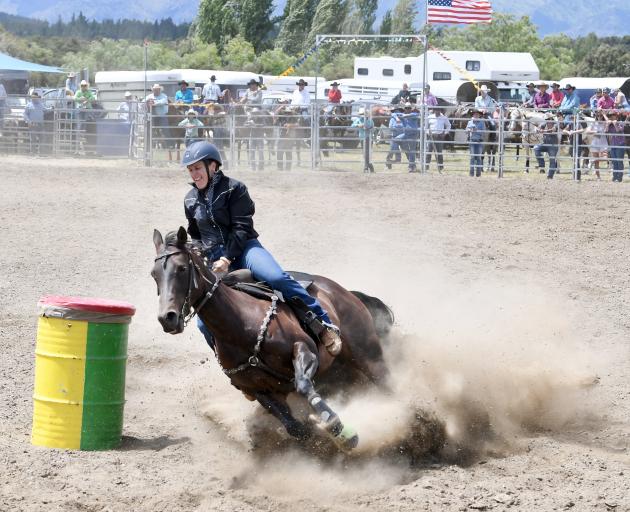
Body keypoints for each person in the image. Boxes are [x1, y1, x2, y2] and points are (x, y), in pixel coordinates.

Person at [182, 141, 342, 355]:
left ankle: (324, 325)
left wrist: (227, 258)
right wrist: (201, 253)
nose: (194, 174)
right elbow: (196, 234)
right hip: (215, 260)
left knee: (276, 278)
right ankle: (232, 363)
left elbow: (241, 227)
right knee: (203, 324)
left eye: (198, 168)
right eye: (191, 169)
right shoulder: (190, 200)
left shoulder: (234, 189)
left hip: (245, 249)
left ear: (212, 166)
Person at [533, 113, 561, 179]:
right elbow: (537, 128)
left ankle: (550, 176)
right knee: (536, 148)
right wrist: (537, 130)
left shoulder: (556, 124)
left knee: (552, 160)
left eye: (548, 119)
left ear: (552, 119)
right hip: (544, 144)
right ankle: (542, 165)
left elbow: (552, 130)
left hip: (553, 145)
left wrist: (543, 131)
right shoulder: (544, 124)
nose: (547, 120)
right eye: (546, 119)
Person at [425, 107, 450, 173]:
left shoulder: (444, 118)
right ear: (434, 110)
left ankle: (440, 167)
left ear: (440, 110)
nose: (437, 111)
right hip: (431, 136)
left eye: (438, 109)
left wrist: (445, 133)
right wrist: (428, 133)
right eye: (436, 109)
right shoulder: (430, 117)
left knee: (439, 152)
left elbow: (448, 126)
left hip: (440, 137)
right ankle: (426, 166)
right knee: (428, 152)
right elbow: (426, 126)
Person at [351, 107, 374, 172]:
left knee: (367, 153)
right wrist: (358, 125)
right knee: (365, 153)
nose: (362, 115)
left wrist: (368, 129)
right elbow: (352, 125)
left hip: (368, 138)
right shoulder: (358, 119)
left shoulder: (370, 120)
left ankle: (366, 167)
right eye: (362, 114)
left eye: (363, 114)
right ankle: (370, 166)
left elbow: (373, 129)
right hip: (362, 138)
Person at [605, 111, 625, 182]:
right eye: (610, 116)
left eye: (612, 115)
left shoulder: (620, 123)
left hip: (620, 144)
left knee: (619, 161)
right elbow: (606, 132)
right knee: (614, 161)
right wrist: (607, 125)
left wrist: (615, 124)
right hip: (613, 145)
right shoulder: (610, 125)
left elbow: (618, 131)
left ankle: (619, 178)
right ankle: (614, 176)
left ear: (616, 116)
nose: (611, 117)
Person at [400, 102, 420, 172]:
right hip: (406, 134)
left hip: (413, 135)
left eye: (409, 108)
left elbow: (414, 115)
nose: (408, 109)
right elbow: (394, 114)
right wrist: (399, 116)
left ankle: (411, 166)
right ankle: (412, 163)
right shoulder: (403, 115)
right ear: (404, 109)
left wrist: (403, 116)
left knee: (412, 150)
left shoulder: (414, 114)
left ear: (411, 109)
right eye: (406, 108)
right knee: (396, 140)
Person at [466, 109, 485, 177]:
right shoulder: (470, 122)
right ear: (473, 115)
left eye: (477, 114)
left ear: (479, 115)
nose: (476, 115)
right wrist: (469, 130)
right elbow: (466, 131)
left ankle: (478, 173)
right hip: (472, 141)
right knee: (472, 157)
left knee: (478, 157)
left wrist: (476, 130)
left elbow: (483, 132)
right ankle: (471, 173)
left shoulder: (482, 122)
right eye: (475, 114)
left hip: (479, 141)